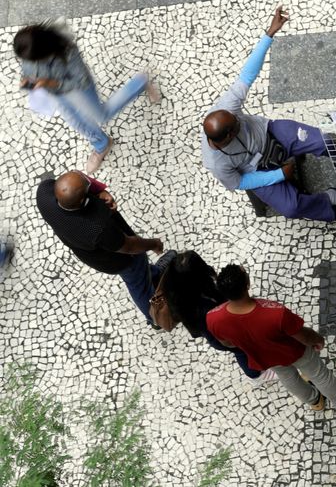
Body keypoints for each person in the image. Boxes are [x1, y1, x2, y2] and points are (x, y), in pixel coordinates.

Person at [201, 7, 336, 229]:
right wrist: (278, 174)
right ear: (229, 135)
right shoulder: (217, 164)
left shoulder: (227, 109)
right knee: (291, 208)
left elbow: (247, 75)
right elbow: (242, 182)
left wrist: (269, 34)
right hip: (256, 170)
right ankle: (330, 201)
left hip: (270, 134)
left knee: (322, 140)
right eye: (236, 124)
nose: (239, 117)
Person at [207, 265, 336, 424]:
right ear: (247, 284)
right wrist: (317, 340)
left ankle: (314, 400)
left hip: (265, 357)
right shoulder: (274, 312)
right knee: (319, 374)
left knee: (287, 377)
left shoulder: (213, 318)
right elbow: (303, 335)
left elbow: (227, 343)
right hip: (295, 351)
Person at [15, 21, 160, 173]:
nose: (30, 62)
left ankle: (140, 83)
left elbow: (81, 80)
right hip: (54, 93)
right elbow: (27, 67)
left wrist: (52, 83)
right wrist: (27, 80)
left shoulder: (66, 49)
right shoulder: (29, 51)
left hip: (77, 89)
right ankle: (102, 145)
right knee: (76, 122)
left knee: (102, 115)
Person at [36, 170, 171, 328]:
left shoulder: (44, 192)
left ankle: (153, 274)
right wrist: (154, 244)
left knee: (141, 273)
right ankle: (154, 317)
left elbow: (76, 181)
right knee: (137, 283)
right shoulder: (97, 227)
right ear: (83, 202)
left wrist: (100, 191)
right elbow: (130, 246)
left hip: (93, 254)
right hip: (121, 259)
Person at [160, 251, 268, 385]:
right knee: (240, 351)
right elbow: (224, 336)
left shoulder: (177, 291)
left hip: (212, 331)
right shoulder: (204, 308)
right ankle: (255, 376)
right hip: (219, 335)